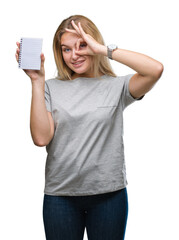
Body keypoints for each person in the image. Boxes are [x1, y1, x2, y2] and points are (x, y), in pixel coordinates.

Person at [15, 14, 163, 240]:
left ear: (94, 43)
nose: (74, 55)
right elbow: (41, 138)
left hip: (109, 197)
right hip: (60, 196)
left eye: (82, 45)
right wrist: (37, 80)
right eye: (66, 49)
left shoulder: (117, 86)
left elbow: (155, 69)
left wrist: (103, 49)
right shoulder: (50, 88)